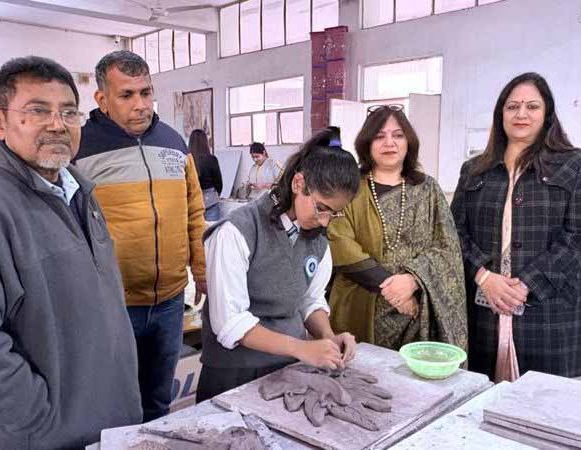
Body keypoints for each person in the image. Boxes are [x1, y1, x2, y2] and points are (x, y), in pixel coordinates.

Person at [0, 56, 141, 449]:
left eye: (69, 112)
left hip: (107, 420)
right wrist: (36, 416)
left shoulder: (78, 192)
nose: (58, 124)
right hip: (44, 436)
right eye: (37, 111)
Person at [74, 50, 206, 421]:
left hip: (170, 302)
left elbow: (194, 212)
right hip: (113, 304)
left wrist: (201, 271)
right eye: (127, 95)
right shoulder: (79, 149)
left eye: (146, 93)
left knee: (159, 401)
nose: (141, 105)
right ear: (102, 99)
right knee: (114, 403)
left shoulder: (174, 143)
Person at [450, 72, 581, 382]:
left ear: (547, 114)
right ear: (501, 114)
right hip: (484, 302)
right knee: (481, 390)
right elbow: (454, 233)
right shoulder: (474, 170)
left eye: (532, 106)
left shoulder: (576, 164)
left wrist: (527, 284)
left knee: (540, 397)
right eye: (512, 106)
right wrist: (484, 277)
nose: (521, 114)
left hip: (547, 306)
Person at [196, 129, 359, 402]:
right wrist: (302, 348)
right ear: (298, 183)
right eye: (321, 208)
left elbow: (309, 300)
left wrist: (328, 337)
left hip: (289, 368)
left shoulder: (318, 239)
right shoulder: (237, 231)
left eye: (335, 213)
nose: (325, 221)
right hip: (234, 372)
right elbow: (230, 323)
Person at [327, 105, 468, 351]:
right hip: (361, 303)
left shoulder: (427, 189)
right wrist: (392, 290)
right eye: (379, 136)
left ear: (408, 142)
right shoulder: (349, 187)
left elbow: (447, 248)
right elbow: (338, 241)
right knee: (360, 371)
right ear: (367, 144)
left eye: (398, 135)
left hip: (418, 310)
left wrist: (412, 281)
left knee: (416, 372)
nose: (389, 143)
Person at [188, 129, 223, 221]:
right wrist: (216, 194)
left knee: (195, 229)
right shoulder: (211, 159)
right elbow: (219, 183)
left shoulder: (187, 160)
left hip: (192, 200)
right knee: (212, 229)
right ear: (205, 142)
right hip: (210, 200)